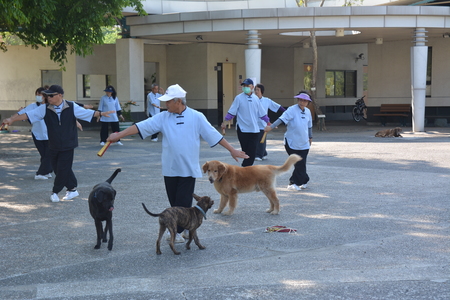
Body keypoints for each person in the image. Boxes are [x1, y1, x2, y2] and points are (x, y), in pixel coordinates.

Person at [107, 84, 248, 243]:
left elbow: (213, 134)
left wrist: (232, 150)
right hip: (170, 169)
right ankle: (188, 228)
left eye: (168, 101)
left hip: (188, 169)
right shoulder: (163, 117)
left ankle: (177, 232)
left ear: (178, 101)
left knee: (182, 203)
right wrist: (119, 135)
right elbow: (140, 126)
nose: (165, 104)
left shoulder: (196, 116)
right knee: (174, 203)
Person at [2, 85, 115, 203]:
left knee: (62, 168)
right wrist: (12, 120)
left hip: (68, 143)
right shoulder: (44, 108)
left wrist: (101, 114)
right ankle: (72, 189)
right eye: (47, 95)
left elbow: (87, 113)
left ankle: (55, 192)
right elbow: (29, 115)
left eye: (51, 95)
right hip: (53, 143)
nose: (48, 97)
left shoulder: (71, 106)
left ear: (60, 95)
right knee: (57, 168)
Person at [264, 91, 313, 191]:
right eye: (300, 99)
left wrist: (310, 137)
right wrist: (271, 127)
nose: (302, 102)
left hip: (304, 142)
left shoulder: (308, 111)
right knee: (299, 163)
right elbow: (281, 119)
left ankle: (303, 180)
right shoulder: (292, 109)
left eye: (304, 100)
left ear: (308, 102)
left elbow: (309, 126)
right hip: (292, 142)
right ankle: (294, 182)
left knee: (301, 163)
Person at [221, 78, 269, 167]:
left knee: (252, 153)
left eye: (248, 86)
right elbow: (232, 112)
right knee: (246, 152)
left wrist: (269, 123)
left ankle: (244, 170)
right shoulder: (239, 98)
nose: (245, 87)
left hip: (254, 129)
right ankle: (246, 171)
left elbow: (262, 114)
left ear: (252, 87)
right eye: (244, 86)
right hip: (242, 129)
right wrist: (225, 122)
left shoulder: (256, 99)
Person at [16, 87, 53, 180]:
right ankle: (40, 173)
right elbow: (21, 114)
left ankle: (45, 171)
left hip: (50, 134)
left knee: (49, 155)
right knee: (45, 155)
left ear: (45, 96)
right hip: (37, 134)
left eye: (39, 94)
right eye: (36, 94)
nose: (38, 96)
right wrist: (14, 116)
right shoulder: (33, 106)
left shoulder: (51, 106)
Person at [254, 83, 286, 161]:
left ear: (262, 91)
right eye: (255, 90)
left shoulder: (266, 100)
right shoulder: (252, 100)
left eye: (257, 90)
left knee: (261, 139)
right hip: (254, 123)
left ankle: (259, 155)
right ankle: (264, 153)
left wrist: (287, 112)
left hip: (263, 123)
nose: (256, 91)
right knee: (256, 139)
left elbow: (277, 107)